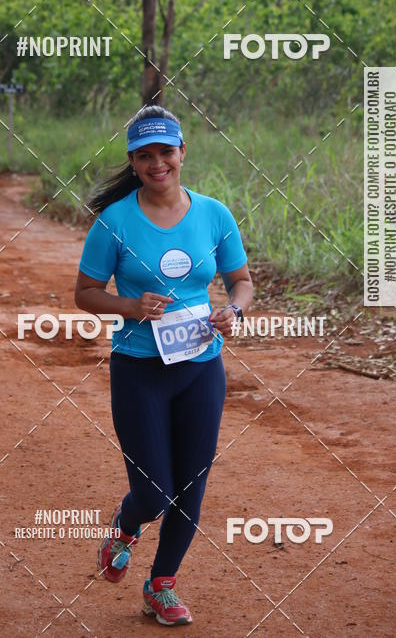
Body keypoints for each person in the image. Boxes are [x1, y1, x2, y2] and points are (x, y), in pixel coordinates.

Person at [74, 105, 253, 627]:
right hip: (138, 369)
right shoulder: (115, 222)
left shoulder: (214, 214)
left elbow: (242, 279)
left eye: (166, 153)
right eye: (145, 155)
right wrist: (129, 307)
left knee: (192, 485)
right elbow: (85, 293)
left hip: (201, 365)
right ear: (133, 161)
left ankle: (161, 585)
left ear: (182, 153)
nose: (158, 164)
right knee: (153, 491)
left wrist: (233, 309)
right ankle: (125, 528)